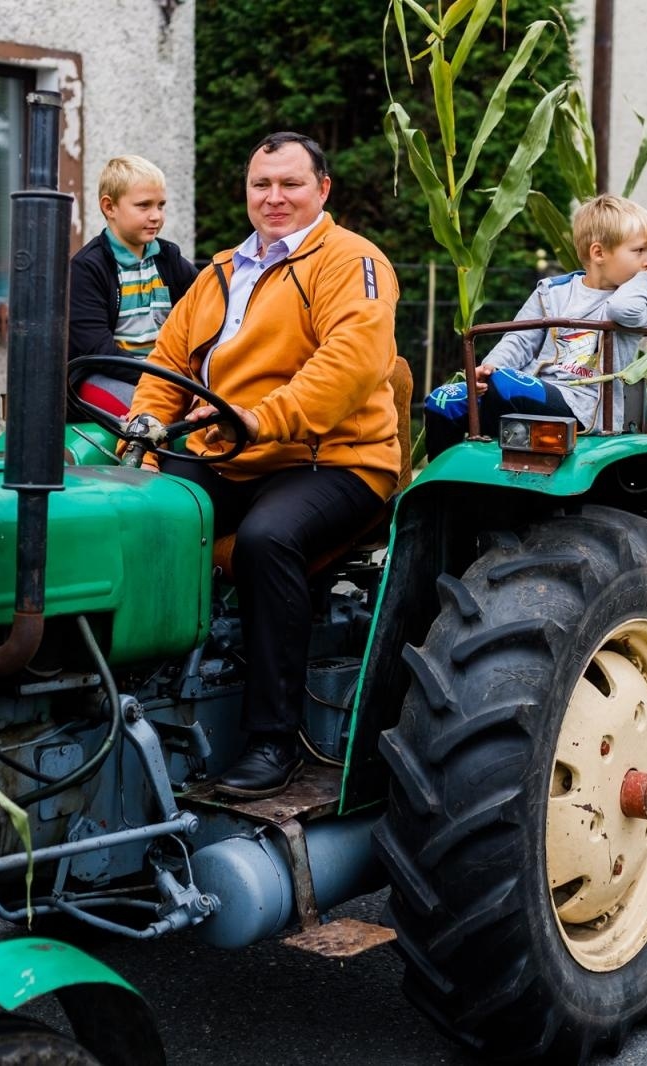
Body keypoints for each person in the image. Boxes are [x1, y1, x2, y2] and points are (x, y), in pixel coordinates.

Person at [125, 132, 401, 799]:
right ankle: (135, 698)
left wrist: (256, 418)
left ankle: (273, 739)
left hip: (335, 459)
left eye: (290, 184)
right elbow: (167, 365)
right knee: (133, 512)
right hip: (235, 456)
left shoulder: (350, 261)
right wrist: (141, 430)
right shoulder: (220, 272)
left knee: (266, 540)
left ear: (322, 190)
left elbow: (349, 365)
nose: (273, 198)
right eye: (261, 185)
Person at [423, 194, 647, 458]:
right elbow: (519, 340)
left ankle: (495, 455)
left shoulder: (639, 299)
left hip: (585, 406)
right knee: (442, 400)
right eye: (640, 250)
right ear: (598, 253)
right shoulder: (553, 291)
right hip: (537, 387)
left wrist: (646, 281)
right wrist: (488, 370)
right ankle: (445, 490)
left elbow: (620, 310)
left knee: (506, 384)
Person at [68, 155, 198, 416]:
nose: (156, 216)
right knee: (157, 418)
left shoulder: (168, 258)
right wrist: (163, 379)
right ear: (109, 207)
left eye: (161, 205)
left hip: (165, 375)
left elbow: (208, 303)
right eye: (144, 206)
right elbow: (98, 350)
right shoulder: (87, 268)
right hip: (105, 375)